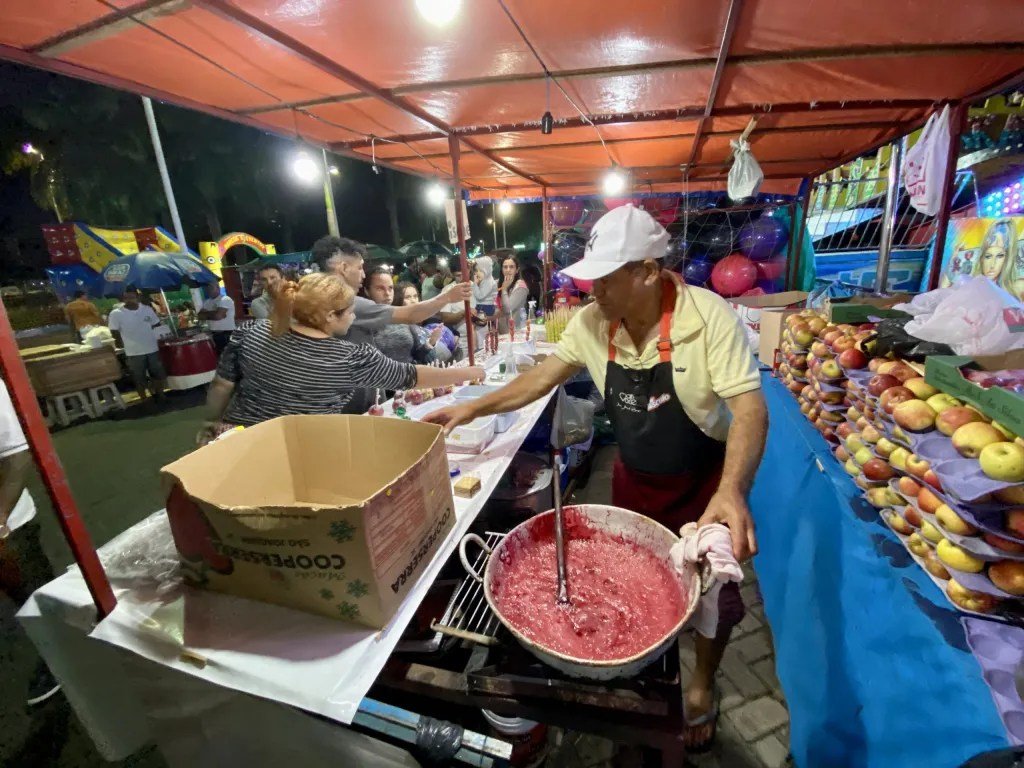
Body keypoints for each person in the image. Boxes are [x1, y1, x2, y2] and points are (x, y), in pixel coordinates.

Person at [424, 205, 768, 752]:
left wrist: (732, 490)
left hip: (702, 483)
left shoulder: (707, 317)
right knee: (631, 583)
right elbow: (542, 377)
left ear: (648, 272)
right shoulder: (592, 323)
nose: (593, 290)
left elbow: (749, 410)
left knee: (717, 597)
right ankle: (633, 656)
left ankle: (702, 681)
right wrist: (474, 408)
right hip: (635, 480)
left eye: (606, 278)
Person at [202, 273, 483, 435]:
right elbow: (411, 376)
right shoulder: (349, 358)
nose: (354, 317)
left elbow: (221, 385)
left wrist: (211, 422)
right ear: (329, 316)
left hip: (235, 440)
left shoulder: (254, 329)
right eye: (350, 312)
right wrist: (468, 372)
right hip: (297, 452)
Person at [0, 378, 61, 706]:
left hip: (10, 526)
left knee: (34, 597)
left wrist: (1, 518)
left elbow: (16, 454)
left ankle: (61, 662)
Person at [362, 268, 439, 365]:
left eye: (390, 288)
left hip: (412, 376)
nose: (387, 293)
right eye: (380, 288)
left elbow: (417, 355)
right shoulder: (362, 322)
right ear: (367, 291)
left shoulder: (404, 319)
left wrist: (430, 343)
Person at [108, 286, 167, 403]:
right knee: (138, 377)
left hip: (152, 348)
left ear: (138, 297)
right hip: (133, 352)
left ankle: (160, 395)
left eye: (132, 297)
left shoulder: (147, 309)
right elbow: (114, 331)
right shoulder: (116, 313)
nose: (129, 300)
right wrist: (122, 345)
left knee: (157, 374)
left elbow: (156, 325)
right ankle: (144, 399)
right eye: (126, 298)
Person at [393, 280, 454, 363]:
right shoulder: (400, 328)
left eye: (415, 296)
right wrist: (430, 343)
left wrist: (432, 341)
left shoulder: (418, 321)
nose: (413, 300)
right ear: (398, 300)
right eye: (407, 297)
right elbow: (412, 361)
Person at [198, 283, 237, 353]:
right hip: (214, 334)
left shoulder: (225, 299)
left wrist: (207, 314)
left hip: (226, 334)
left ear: (218, 288)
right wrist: (215, 312)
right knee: (220, 356)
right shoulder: (207, 302)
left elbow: (218, 316)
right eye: (208, 288)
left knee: (230, 356)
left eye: (211, 288)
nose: (209, 290)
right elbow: (200, 316)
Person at [496, 254, 529, 334]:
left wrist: (504, 289)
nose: (508, 270)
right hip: (501, 332)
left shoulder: (521, 286)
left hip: (516, 332)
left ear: (517, 270)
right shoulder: (498, 283)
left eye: (511, 267)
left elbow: (508, 309)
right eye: (505, 267)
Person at [471, 255, 498, 324]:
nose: (476, 273)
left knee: (484, 328)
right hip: (485, 307)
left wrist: (475, 284)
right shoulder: (486, 280)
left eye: (478, 270)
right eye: (476, 270)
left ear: (485, 269)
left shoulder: (488, 282)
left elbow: (480, 296)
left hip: (485, 308)